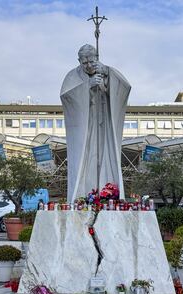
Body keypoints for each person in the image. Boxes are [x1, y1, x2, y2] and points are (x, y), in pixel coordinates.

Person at [60, 44, 131, 203]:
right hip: (85, 126)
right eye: (84, 63)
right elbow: (67, 97)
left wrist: (107, 74)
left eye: (91, 61)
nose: (89, 65)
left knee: (106, 154)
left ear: (97, 58)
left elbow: (125, 87)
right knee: (87, 158)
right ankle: (83, 196)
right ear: (79, 61)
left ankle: (108, 194)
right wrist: (87, 86)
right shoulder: (72, 76)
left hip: (104, 124)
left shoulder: (106, 71)